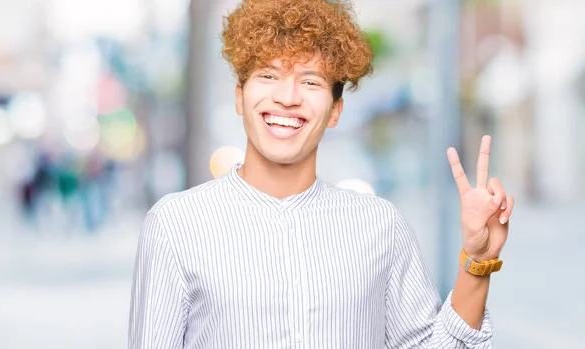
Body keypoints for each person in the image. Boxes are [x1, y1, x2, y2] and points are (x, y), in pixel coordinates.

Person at [128, 0, 515, 348]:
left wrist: (478, 262)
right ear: (238, 96)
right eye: (268, 75)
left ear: (335, 111)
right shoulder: (174, 225)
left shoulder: (379, 226)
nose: (288, 97)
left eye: (310, 81)